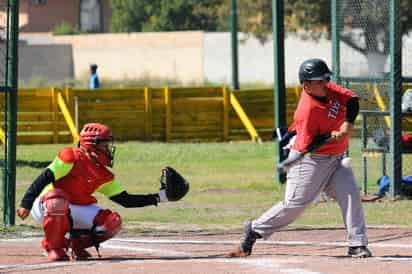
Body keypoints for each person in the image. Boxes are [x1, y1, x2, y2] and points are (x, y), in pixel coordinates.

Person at [228, 58, 372, 258]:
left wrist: (346, 125)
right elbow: (310, 144)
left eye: (326, 78)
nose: (326, 83)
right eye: (320, 81)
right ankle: (254, 229)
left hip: (337, 159)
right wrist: (331, 134)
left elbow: (352, 100)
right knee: (295, 205)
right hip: (310, 159)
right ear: (307, 85)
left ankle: (357, 243)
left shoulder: (330, 90)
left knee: (351, 196)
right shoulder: (307, 110)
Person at [16, 122, 188, 262]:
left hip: (73, 208)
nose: (108, 149)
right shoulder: (71, 157)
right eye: (105, 144)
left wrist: (161, 197)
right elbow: (44, 178)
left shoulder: (103, 174)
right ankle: (53, 247)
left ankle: (75, 244)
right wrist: (26, 203)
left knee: (112, 221)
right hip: (46, 205)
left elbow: (125, 200)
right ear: (92, 145)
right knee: (57, 200)